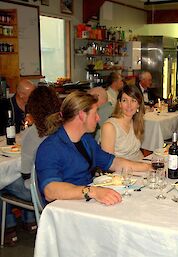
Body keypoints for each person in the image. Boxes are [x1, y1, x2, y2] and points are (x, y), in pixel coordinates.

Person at [35, 91, 150, 206]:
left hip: (86, 200)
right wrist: (93, 192)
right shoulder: (50, 148)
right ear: (81, 115)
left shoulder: (86, 140)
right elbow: (50, 191)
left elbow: (114, 162)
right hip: (65, 208)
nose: (98, 118)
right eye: (95, 113)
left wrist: (149, 167)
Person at [0, 86, 61, 246]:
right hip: (60, 183)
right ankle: (29, 220)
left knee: (3, 182)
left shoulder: (32, 133)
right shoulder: (62, 127)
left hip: (39, 193)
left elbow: (26, 173)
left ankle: (8, 229)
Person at [100, 85, 145, 161]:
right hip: (119, 171)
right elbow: (108, 163)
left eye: (133, 100)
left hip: (137, 169)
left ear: (138, 104)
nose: (129, 105)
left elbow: (136, 153)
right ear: (119, 104)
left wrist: (147, 164)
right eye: (125, 100)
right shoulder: (109, 127)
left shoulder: (135, 122)